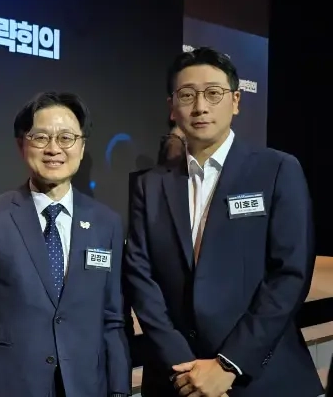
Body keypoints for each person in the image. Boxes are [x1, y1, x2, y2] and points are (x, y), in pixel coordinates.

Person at [124, 47, 321, 397]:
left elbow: (290, 274)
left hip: (259, 378)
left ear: (235, 101)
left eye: (213, 93)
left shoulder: (276, 169)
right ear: (172, 106)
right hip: (176, 379)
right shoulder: (150, 185)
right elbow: (141, 277)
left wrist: (229, 365)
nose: (200, 107)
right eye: (187, 95)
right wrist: (184, 367)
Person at [0, 91, 130, 397]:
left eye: (66, 138)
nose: (53, 149)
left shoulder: (106, 223)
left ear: (82, 147)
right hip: (14, 385)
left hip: (87, 385)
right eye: (41, 137)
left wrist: (119, 390)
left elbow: (114, 318)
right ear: (21, 145)